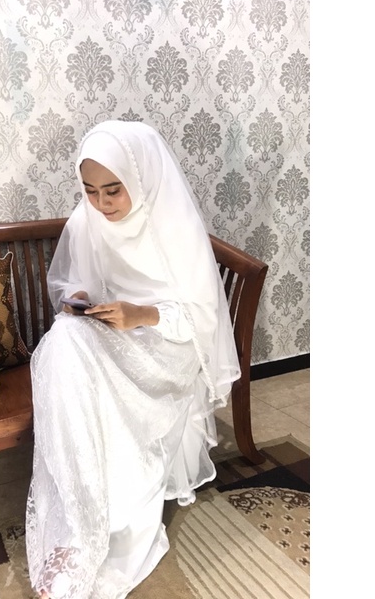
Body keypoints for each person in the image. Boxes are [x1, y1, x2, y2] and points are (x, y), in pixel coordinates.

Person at [25, 120, 240, 599]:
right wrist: (80, 298)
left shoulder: (173, 225)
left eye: (113, 190)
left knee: (76, 354)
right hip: (114, 331)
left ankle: (114, 527)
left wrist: (141, 315)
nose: (101, 204)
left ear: (139, 178)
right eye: (89, 191)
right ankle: (78, 518)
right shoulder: (86, 220)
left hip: (169, 343)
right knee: (64, 339)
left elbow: (201, 319)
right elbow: (70, 280)